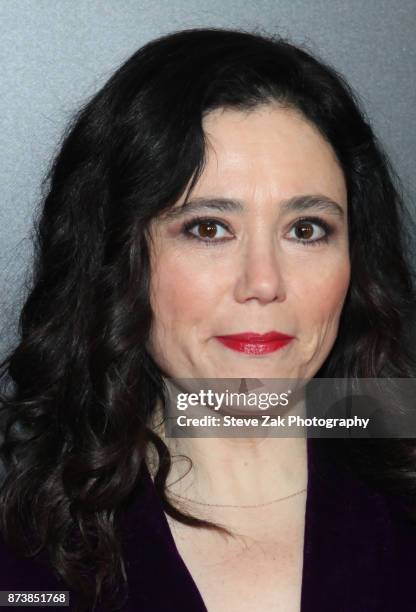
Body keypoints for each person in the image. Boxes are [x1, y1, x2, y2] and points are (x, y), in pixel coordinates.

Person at [0, 27, 415, 612]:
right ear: (120, 260)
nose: (264, 283)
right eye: (208, 228)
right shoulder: (25, 567)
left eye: (305, 230)